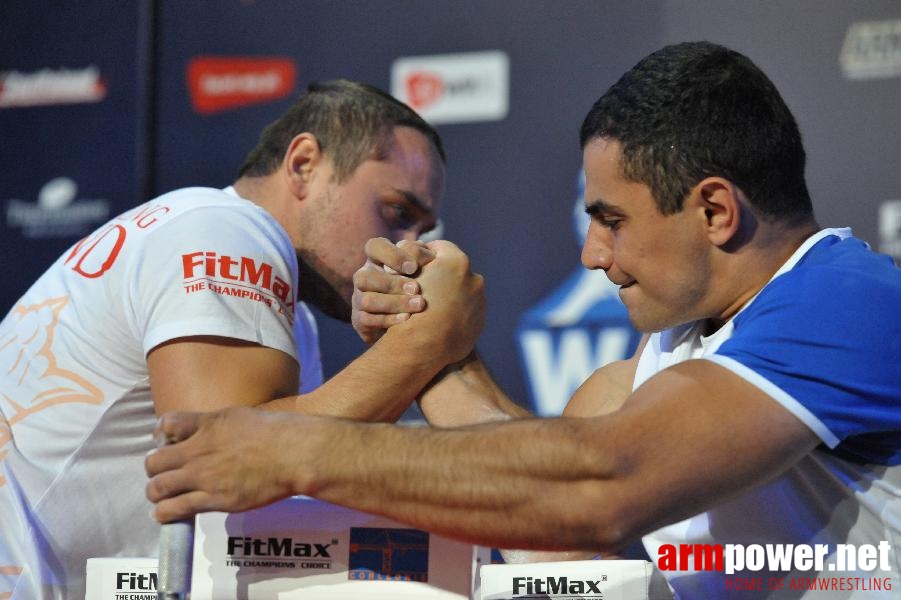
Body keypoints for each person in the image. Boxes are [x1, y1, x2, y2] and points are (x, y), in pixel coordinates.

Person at [145, 42, 901, 598]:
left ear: (713, 209)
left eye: (610, 219)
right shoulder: (676, 346)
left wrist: (295, 450)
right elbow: (556, 542)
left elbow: (602, 486)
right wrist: (432, 344)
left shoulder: (844, 299)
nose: (592, 254)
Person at [0, 80, 487, 599]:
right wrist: (425, 339)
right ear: (303, 164)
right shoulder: (224, 228)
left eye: (423, 231)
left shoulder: (286, 308)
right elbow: (223, 467)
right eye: (396, 213)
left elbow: (285, 505)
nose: (407, 248)